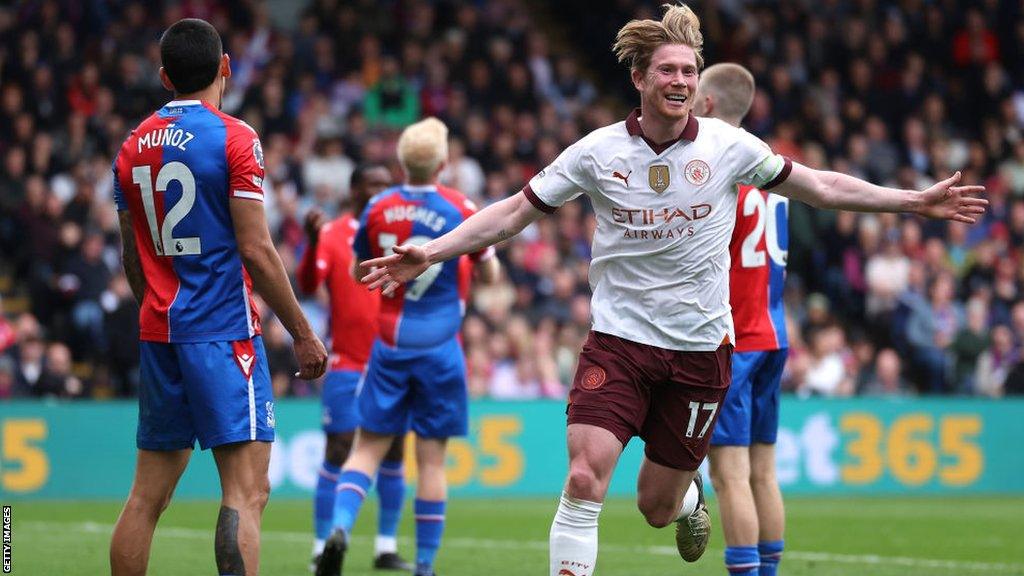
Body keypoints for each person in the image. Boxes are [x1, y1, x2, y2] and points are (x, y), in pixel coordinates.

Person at [360, 6, 986, 576]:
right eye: (667, 70)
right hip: (618, 343)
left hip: (699, 353)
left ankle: (688, 494)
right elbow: (511, 214)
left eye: (689, 70)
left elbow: (821, 186)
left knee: (655, 507)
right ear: (640, 78)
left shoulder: (729, 147)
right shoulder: (596, 152)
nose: (681, 80)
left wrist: (912, 202)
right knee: (583, 477)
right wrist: (431, 253)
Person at [108, 18, 328, 576]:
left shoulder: (131, 147)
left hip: (161, 332)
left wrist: (154, 307)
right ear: (225, 67)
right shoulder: (234, 137)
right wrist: (303, 333)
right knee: (247, 491)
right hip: (225, 333)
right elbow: (256, 249)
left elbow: (131, 254)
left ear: (163, 76)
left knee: (145, 499)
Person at [316, 117, 500, 576]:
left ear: (401, 163)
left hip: (389, 347)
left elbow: (362, 272)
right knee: (431, 461)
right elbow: (490, 274)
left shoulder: (378, 206)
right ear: (442, 162)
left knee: (366, 448)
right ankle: (423, 564)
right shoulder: (461, 206)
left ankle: (339, 528)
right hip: (440, 348)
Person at [693, 62, 787, 576]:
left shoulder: (721, 177)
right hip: (775, 333)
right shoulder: (773, 173)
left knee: (730, 476)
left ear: (707, 105)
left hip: (736, 339)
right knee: (764, 474)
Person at [296, 164, 414, 571]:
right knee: (340, 448)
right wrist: (311, 244)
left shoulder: (402, 236)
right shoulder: (333, 234)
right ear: (355, 189)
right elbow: (309, 285)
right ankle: (320, 545)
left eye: (386, 184)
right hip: (348, 362)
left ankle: (385, 547)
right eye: (372, 183)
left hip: (393, 361)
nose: (379, 190)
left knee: (395, 452)